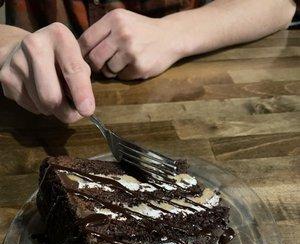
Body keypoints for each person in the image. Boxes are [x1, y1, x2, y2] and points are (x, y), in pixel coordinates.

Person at [0, 0, 297, 123]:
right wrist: (10, 47)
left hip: (183, 101)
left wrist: (173, 32)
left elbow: (282, 5)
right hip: (30, 115)